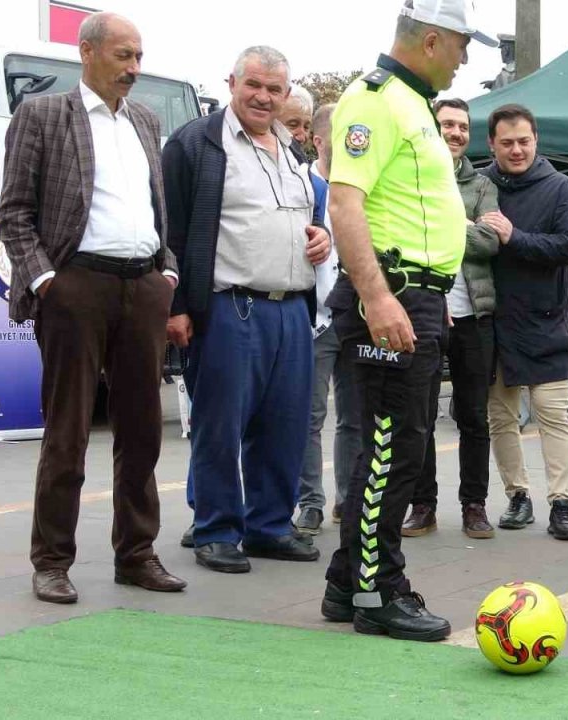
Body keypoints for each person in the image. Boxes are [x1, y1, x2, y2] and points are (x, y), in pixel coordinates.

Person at [319, 0, 497, 642]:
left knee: (399, 444)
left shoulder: (411, 103)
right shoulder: (373, 101)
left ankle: (348, 580)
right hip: (393, 297)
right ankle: (377, 589)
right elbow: (345, 203)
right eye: (460, 44)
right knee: (392, 450)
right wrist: (377, 297)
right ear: (429, 40)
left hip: (418, 299)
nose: (465, 57)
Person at [0, 12, 185, 603]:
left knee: (143, 431)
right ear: (87, 53)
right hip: (76, 286)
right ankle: (52, 560)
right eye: (123, 56)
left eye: (138, 57)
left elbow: (157, 209)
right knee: (69, 430)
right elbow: (15, 212)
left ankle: (136, 554)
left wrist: (166, 272)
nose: (134, 69)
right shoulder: (44, 114)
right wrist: (48, 281)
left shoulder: (146, 121)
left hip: (143, 287)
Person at [162, 45, 330, 574]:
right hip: (227, 305)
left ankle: (268, 527)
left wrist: (322, 235)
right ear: (231, 82)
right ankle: (215, 530)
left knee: (284, 424)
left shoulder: (295, 152)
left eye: (273, 89)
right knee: (220, 424)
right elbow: (171, 230)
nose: (262, 97)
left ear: (286, 94)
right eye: (253, 85)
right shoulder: (196, 144)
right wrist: (177, 306)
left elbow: (309, 220)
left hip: (291, 308)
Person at [482, 103, 568, 541]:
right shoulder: (479, 184)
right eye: (507, 143)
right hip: (494, 319)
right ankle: (517, 496)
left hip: (545, 321)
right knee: (501, 417)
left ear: (536, 140)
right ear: (492, 144)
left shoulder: (561, 187)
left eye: (524, 141)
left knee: (552, 414)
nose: (516, 149)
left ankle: (561, 503)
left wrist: (514, 237)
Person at [401, 97, 500, 539]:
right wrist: (464, 224)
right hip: (423, 312)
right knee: (419, 414)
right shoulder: (410, 178)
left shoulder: (481, 185)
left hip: (474, 315)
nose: (456, 132)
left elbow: (489, 243)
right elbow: (402, 236)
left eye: (462, 126)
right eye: (447, 124)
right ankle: (423, 505)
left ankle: (474, 505)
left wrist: (442, 221)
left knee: (474, 416)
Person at [293, 102, 363, 534]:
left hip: (355, 316)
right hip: (314, 316)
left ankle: (348, 498)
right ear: (319, 140)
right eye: (343, 137)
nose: (356, 143)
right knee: (310, 416)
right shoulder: (299, 185)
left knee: (356, 417)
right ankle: (311, 501)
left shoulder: (363, 185)